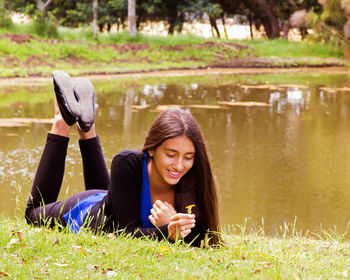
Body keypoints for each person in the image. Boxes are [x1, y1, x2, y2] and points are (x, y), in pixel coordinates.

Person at [25, 70, 220, 247]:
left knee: (109, 200)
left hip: (113, 201)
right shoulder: (127, 163)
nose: (179, 165)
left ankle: (86, 124)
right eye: (170, 154)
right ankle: (62, 121)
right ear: (152, 149)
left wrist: (173, 230)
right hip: (88, 211)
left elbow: (199, 238)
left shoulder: (194, 177)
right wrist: (168, 230)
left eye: (188, 157)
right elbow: (127, 233)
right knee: (33, 214)